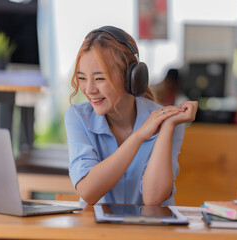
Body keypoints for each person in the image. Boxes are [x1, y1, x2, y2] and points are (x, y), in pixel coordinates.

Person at [65, 26, 198, 206]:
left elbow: (153, 198)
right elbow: (88, 192)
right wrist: (139, 136)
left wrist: (167, 126)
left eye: (100, 78)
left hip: (148, 232)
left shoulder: (166, 120)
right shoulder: (78, 116)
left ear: (131, 77)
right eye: (82, 78)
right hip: (98, 232)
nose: (89, 89)